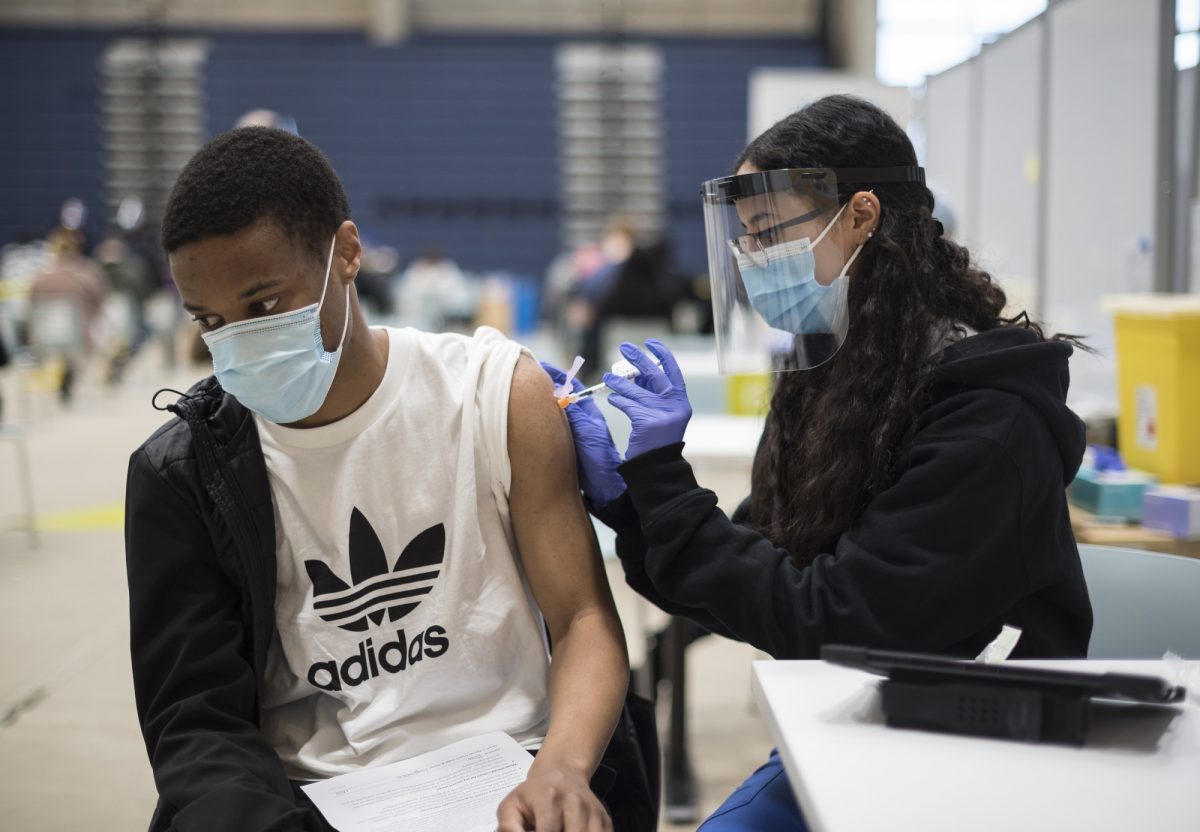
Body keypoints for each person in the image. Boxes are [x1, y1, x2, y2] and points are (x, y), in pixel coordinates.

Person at [544, 94, 1093, 830]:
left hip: (979, 752)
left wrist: (664, 481)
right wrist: (628, 500)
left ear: (861, 215)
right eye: (745, 237)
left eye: (768, 232)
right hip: (863, 720)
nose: (751, 259)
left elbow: (831, 617)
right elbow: (759, 566)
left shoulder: (988, 417)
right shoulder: (837, 372)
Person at [125, 127, 633, 832]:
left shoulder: (494, 394)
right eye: (210, 320)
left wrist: (563, 769)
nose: (239, 342)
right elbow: (195, 722)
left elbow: (583, 620)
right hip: (305, 797)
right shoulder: (183, 472)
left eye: (264, 306)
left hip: (512, 767)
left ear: (346, 254)